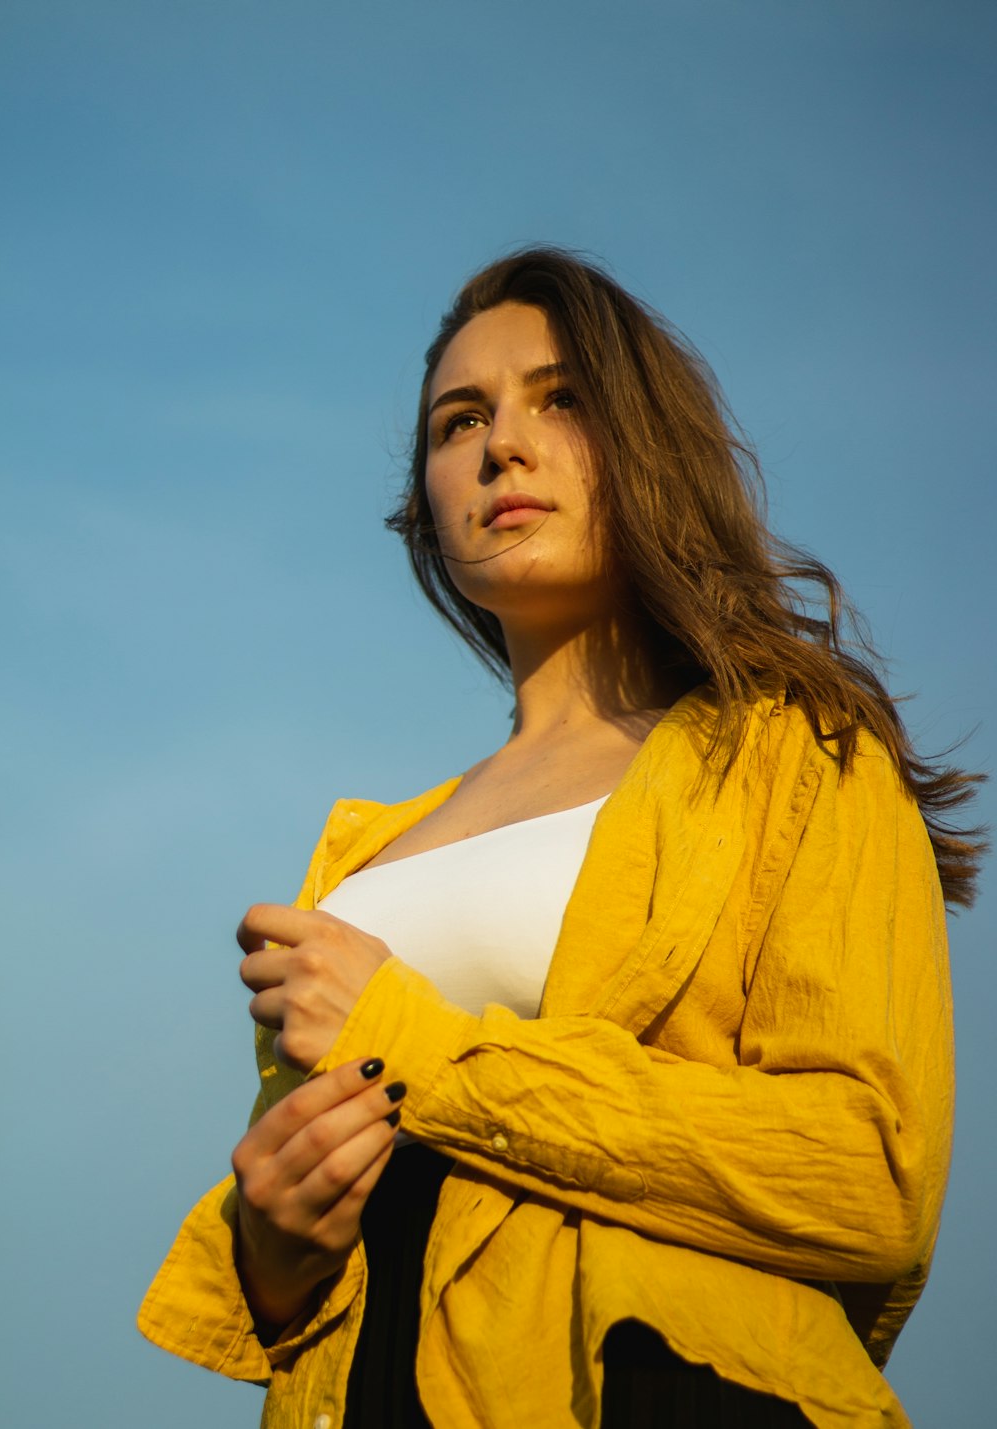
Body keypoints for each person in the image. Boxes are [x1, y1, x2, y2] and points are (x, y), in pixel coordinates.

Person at [139, 248, 984, 1428]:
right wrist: (275, 1253)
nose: (500, 446)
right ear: (426, 504)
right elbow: (314, 1234)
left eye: (561, 398)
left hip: (656, 1386)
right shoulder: (365, 853)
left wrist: (409, 1046)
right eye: (458, 420)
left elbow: (866, 1174)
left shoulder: (796, 751)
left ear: (645, 442)